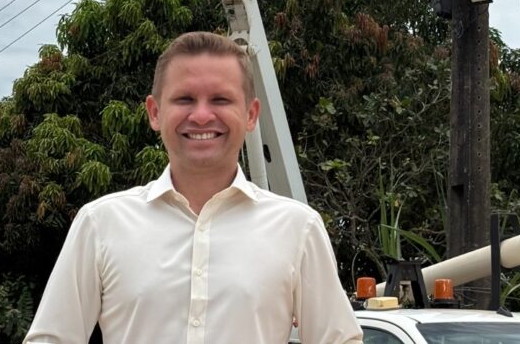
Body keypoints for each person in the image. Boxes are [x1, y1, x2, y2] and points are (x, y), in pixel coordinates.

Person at [25, 31, 363, 344]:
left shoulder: (297, 229)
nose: (201, 116)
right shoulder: (100, 224)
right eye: (185, 99)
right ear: (155, 112)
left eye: (220, 100)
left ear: (250, 114)